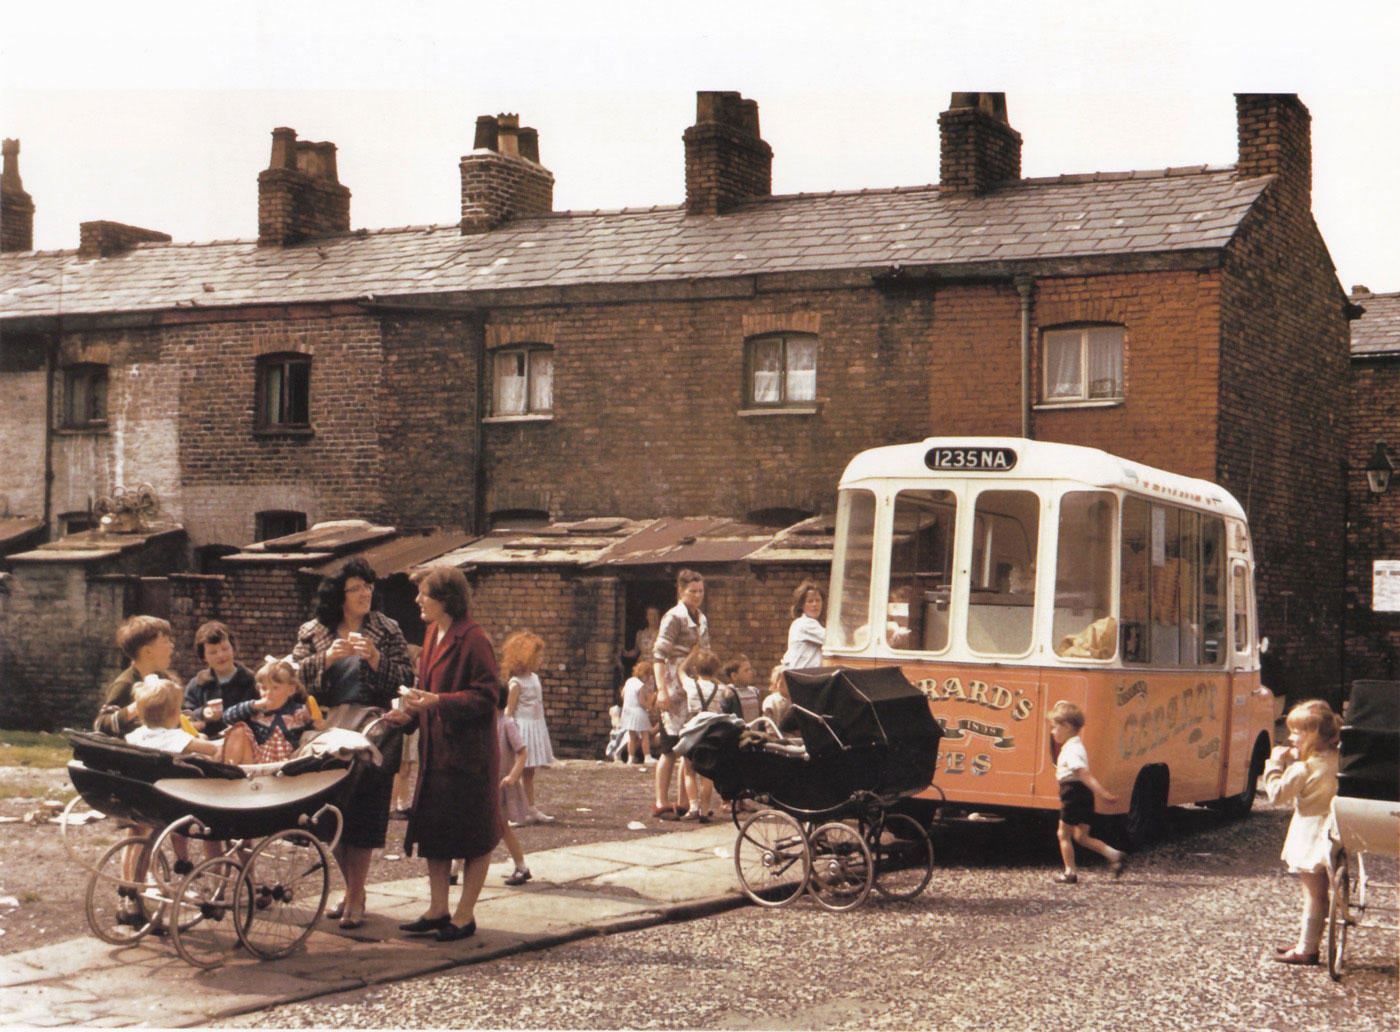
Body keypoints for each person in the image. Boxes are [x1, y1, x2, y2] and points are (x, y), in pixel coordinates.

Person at [292, 556, 414, 930]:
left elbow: (407, 679)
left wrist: (376, 658)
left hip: (373, 728)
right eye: (356, 588)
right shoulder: (314, 631)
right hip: (327, 729)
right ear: (339, 596)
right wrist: (325, 660)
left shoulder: (387, 628)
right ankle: (351, 890)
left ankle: (357, 895)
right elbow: (292, 681)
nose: (365, 594)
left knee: (364, 812)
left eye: (368, 587)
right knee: (332, 813)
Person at [385, 566, 502, 942]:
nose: (417, 599)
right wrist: (408, 713)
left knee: (473, 835)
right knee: (434, 831)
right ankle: (438, 909)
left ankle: (465, 916)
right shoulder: (433, 632)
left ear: (447, 598)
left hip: (470, 756)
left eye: (424, 593)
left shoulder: (474, 639)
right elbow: (426, 690)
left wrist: (439, 701)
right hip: (436, 752)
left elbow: (487, 696)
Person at [1263, 699, 1341, 965]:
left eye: (1297, 731)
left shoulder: (1303, 768)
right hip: (1337, 831)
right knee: (1321, 893)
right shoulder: (1337, 760)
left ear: (1314, 735)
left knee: (1313, 895)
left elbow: (1276, 795)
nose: (1291, 737)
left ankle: (1307, 949)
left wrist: (1274, 765)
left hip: (1310, 834)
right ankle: (1308, 940)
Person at [651, 569, 710, 821]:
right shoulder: (673, 617)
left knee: (687, 745)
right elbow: (658, 655)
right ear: (681, 591)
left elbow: (706, 653)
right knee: (668, 747)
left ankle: (683, 801)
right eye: (692, 591)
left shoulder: (702, 618)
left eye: (700, 591)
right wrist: (661, 689)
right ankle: (660, 801)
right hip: (673, 682)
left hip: (692, 684)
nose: (697, 596)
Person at [1047, 701, 1125, 884]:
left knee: (1063, 834)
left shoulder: (1073, 750)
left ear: (1066, 726)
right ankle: (1115, 855)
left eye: (1054, 727)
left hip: (1073, 794)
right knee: (1081, 836)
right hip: (1083, 795)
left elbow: (1085, 775)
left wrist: (1103, 793)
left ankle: (1070, 872)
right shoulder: (1075, 746)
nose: (1052, 732)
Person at [125, 675, 253, 764]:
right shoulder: (176, 738)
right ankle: (247, 775)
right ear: (176, 713)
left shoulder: (136, 735)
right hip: (194, 783)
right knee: (239, 733)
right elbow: (212, 750)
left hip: (162, 777)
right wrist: (200, 739)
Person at [501, 631, 557, 823]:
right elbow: (508, 712)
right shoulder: (515, 683)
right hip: (521, 729)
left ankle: (530, 808)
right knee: (517, 771)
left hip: (535, 727)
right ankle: (515, 811)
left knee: (529, 771)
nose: (540, 659)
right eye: (537, 655)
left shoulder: (534, 678)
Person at [223, 656, 320, 764]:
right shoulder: (257, 711)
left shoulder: (299, 711)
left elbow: (312, 728)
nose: (268, 693)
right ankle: (231, 772)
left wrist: (318, 724)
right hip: (255, 761)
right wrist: (254, 705)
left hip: (285, 763)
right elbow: (227, 717)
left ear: (291, 690)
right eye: (264, 688)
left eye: (275, 688)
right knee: (239, 729)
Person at [95, 615, 177, 738]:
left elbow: (181, 711)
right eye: (166, 641)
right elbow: (100, 725)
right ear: (148, 651)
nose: (171, 646)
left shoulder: (164, 679)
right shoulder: (125, 684)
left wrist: (194, 720)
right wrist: (136, 707)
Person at [182, 621, 258, 736]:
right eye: (213, 652)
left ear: (233, 647)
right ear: (204, 657)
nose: (220, 655)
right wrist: (203, 713)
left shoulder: (252, 681)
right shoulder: (197, 684)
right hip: (207, 745)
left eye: (225, 649)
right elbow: (185, 716)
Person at [680, 649, 727, 822]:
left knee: (689, 771)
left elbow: (680, 670)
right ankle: (705, 810)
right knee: (706, 775)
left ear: (696, 669)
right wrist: (714, 677)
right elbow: (728, 691)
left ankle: (693, 807)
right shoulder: (720, 688)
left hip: (693, 731)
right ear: (715, 671)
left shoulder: (691, 685)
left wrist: (692, 652)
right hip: (711, 733)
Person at [496, 710, 532, 885]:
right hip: (485, 783)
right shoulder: (481, 723)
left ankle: (521, 867)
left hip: (501, 784)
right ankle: (455, 869)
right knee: (475, 825)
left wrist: (512, 776)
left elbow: (522, 752)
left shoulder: (507, 723)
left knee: (502, 827)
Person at [781, 580, 826, 671]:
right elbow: (833, 641)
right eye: (810, 601)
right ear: (801, 605)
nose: (814, 604)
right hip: (802, 677)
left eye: (818, 600)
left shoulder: (812, 624)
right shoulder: (805, 624)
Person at [619, 659, 656, 765]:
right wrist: (648, 707)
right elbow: (641, 702)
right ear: (645, 674)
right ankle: (647, 757)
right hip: (638, 711)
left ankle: (630, 758)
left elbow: (622, 694)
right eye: (648, 676)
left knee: (631, 735)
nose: (648, 679)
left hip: (627, 711)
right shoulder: (641, 685)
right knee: (645, 734)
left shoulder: (629, 681)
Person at [720, 655, 762, 722]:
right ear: (734, 676)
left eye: (750, 669)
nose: (750, 672)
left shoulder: (754, 691)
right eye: (746, 670)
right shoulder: (730, 694)